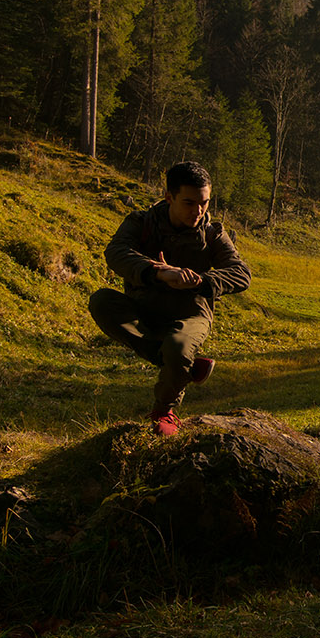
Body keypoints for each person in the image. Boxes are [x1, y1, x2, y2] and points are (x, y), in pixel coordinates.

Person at [89, 161, 250, 435]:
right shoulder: (142, 223)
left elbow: (241, 273)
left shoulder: (212, 234)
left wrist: (203, 280)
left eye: (204, 203)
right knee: (101, 301)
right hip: (144, 309)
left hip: (190, 315)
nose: (198, 211)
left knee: (177, 348)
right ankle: (182, 366)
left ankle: (165, 411)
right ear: (169, 197)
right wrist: (157, 272)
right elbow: (116, 252)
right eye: (189, 203)